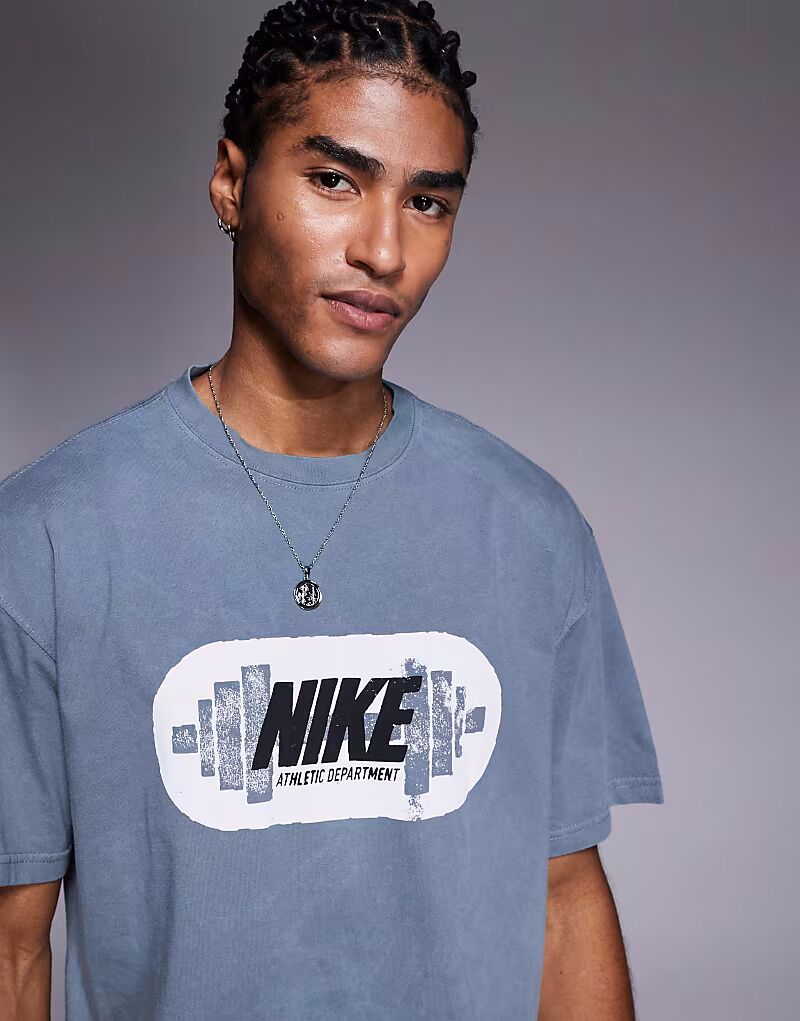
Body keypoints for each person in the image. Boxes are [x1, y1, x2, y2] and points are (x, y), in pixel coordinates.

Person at [0, 1, 664, 1017]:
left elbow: (563, 900)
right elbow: (13, 947)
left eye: (427, 202)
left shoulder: (528, 527)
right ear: (231, 182)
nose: (383, 251)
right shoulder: (50, 535)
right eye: (335, 181)